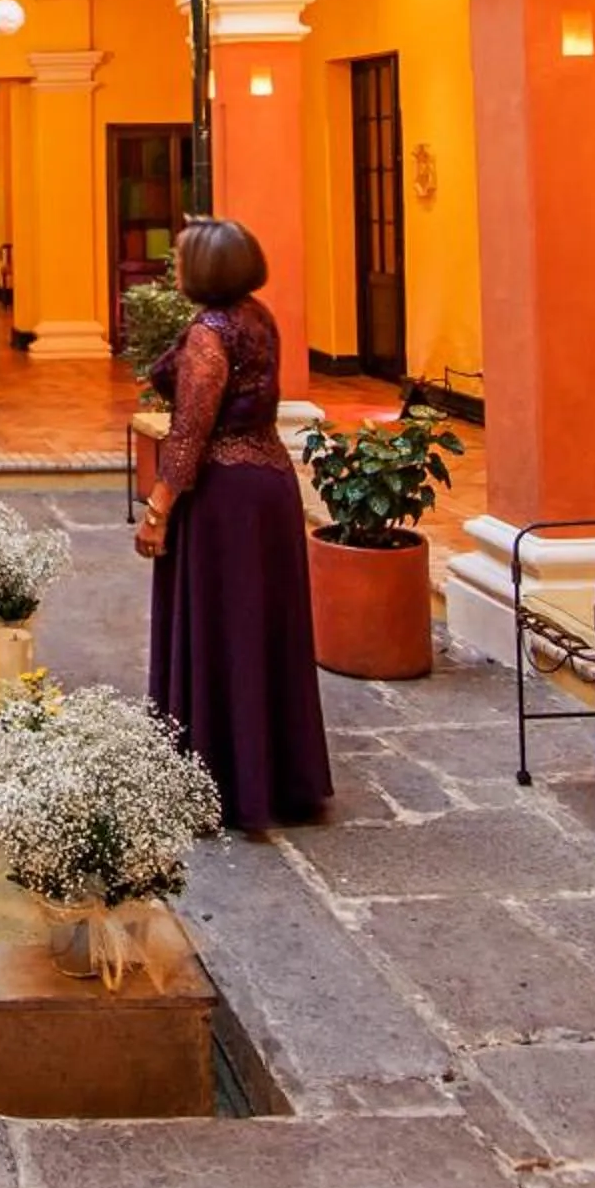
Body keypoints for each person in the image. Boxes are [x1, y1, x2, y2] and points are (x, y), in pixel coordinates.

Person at [137, 217, 332, 832]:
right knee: (262, 630)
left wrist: (159, 507)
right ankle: (275, 774)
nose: (175, 265)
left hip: (225, 499)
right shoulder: (257, 316)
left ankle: (218, 778)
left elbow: (191, 431)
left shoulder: (210, 334)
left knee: (225, 627)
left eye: (183, 257)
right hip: (269, 484)